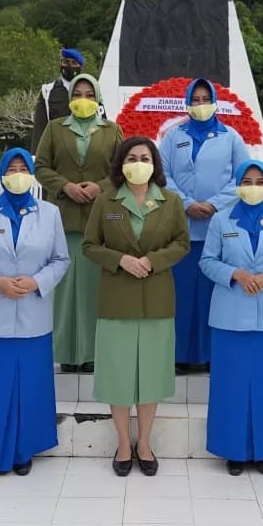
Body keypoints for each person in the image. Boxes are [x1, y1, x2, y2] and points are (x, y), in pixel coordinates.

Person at [0, 148, 69, 475]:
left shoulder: (50, 213)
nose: (17, 174)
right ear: (2, 174)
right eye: (11, 169)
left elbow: (61, 259)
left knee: (30, 386)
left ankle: (24, 450)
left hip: (34, 315)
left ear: (32, 174)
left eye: (23, 168)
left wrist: (37, 281)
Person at [82, 137, 190, 476]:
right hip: (117, 299)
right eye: (132, 158)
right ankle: (123, 444)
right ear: (121, 164)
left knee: (151, 375)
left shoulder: (171, 202)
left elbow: (182, 243)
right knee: (118, 375)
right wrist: (120, 260)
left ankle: (144, 442)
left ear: (155, 164)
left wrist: (153, 261)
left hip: (157, 298)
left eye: (145, 158)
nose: (139, 163)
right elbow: (90, 245)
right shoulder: (106, 201)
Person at [200, 160, 263, 476]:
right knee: (231, 385)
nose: (253, 186)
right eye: (247, 181)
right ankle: (233, 450)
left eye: (260, 181)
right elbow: (207, 261)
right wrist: (235, 274)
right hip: (229, 316)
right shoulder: (221, 219)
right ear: (238, 185)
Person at [159, 77, 249, 371]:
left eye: (205, 99)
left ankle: (210, 354)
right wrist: (186, 203)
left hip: (216, 227)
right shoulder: (173, 137)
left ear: (214, 102)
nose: (200, 105)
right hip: (182, 228)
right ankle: (179, 355)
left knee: (212, 295)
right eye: (195, 100)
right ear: (187, 103)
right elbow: (162, 175)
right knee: (182, 295)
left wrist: (214, 204)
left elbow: (242, 177)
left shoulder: (231, 137)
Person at [35, 73, 123, 373]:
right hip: (64, 219)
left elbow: (121, 170)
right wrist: (65, 186)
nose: (82, 99)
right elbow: (41, 167)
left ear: (98, 98)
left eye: (89, 94)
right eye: (77, 94)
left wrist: (100, 187)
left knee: (93, 291)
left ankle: (91, 353)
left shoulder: (112, 130)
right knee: (64, 291)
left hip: (100, 222)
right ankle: (66, 353)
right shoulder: (55, 128)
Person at [31, 47, 87, 152]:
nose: (69, 66)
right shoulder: (47, 91)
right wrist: (35, 156)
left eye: (74, 63)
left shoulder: (90, 90)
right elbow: (39, 128)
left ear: (80, 67)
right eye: (65, 62)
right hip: (56, 150)